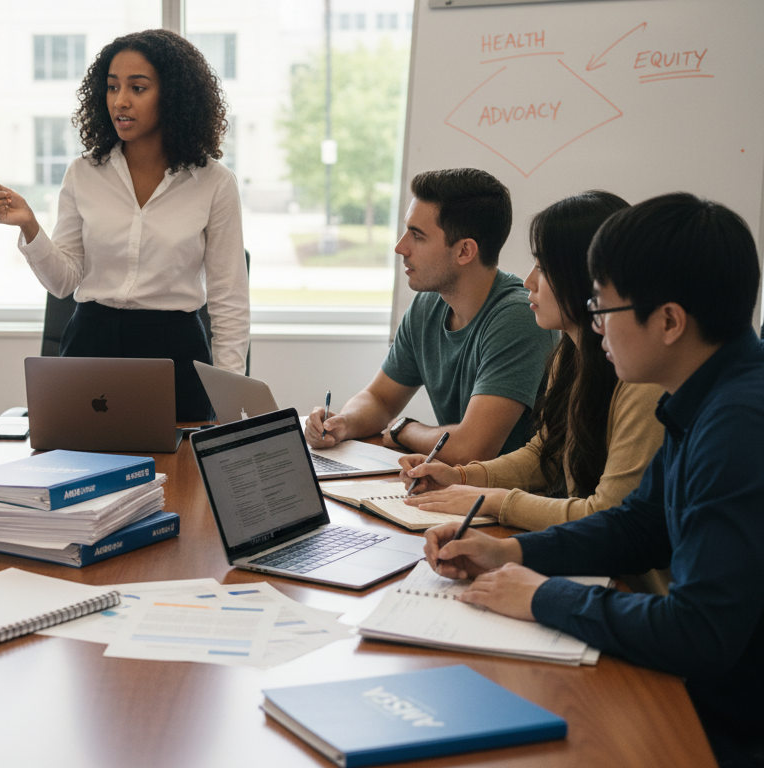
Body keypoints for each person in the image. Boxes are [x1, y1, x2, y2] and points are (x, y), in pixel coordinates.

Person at [422, 193, 764, 767]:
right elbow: (639, 524)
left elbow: (700, 631)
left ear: (670, 321)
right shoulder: (705, 396)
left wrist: (544, 596)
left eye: (602, 306)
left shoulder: (737, 426)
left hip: (726, 727)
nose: (594, 324)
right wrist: (509, 551)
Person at [0, 29, 248, 421]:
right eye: (112, 87)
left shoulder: (214, 183)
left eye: (138, 88)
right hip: (91, 345)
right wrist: (30, 227)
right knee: (78, 472)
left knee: (177, 476)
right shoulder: (83, 174)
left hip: (175, 352)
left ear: (172, 96)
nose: (120, 101)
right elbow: (64, 282)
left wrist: (229, 399)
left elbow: (229, 301)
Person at [397, 191, 665, 534]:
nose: (529, 282)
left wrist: (490, 500)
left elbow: (607, 514)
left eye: (544, 267)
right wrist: (460, 477)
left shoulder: (642, 382)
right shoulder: (569, 357)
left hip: (631, 580)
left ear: (587, 278)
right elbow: (545, 455)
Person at [305, 168, 556, 465]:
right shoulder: (427, 305)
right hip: (457, 488)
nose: (400, 247)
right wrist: (343, 423)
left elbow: (471, 449)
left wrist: (403, 429)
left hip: (510, 501)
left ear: (464, 251)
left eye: (417, 236)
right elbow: (380, 398)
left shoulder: (518, 317)